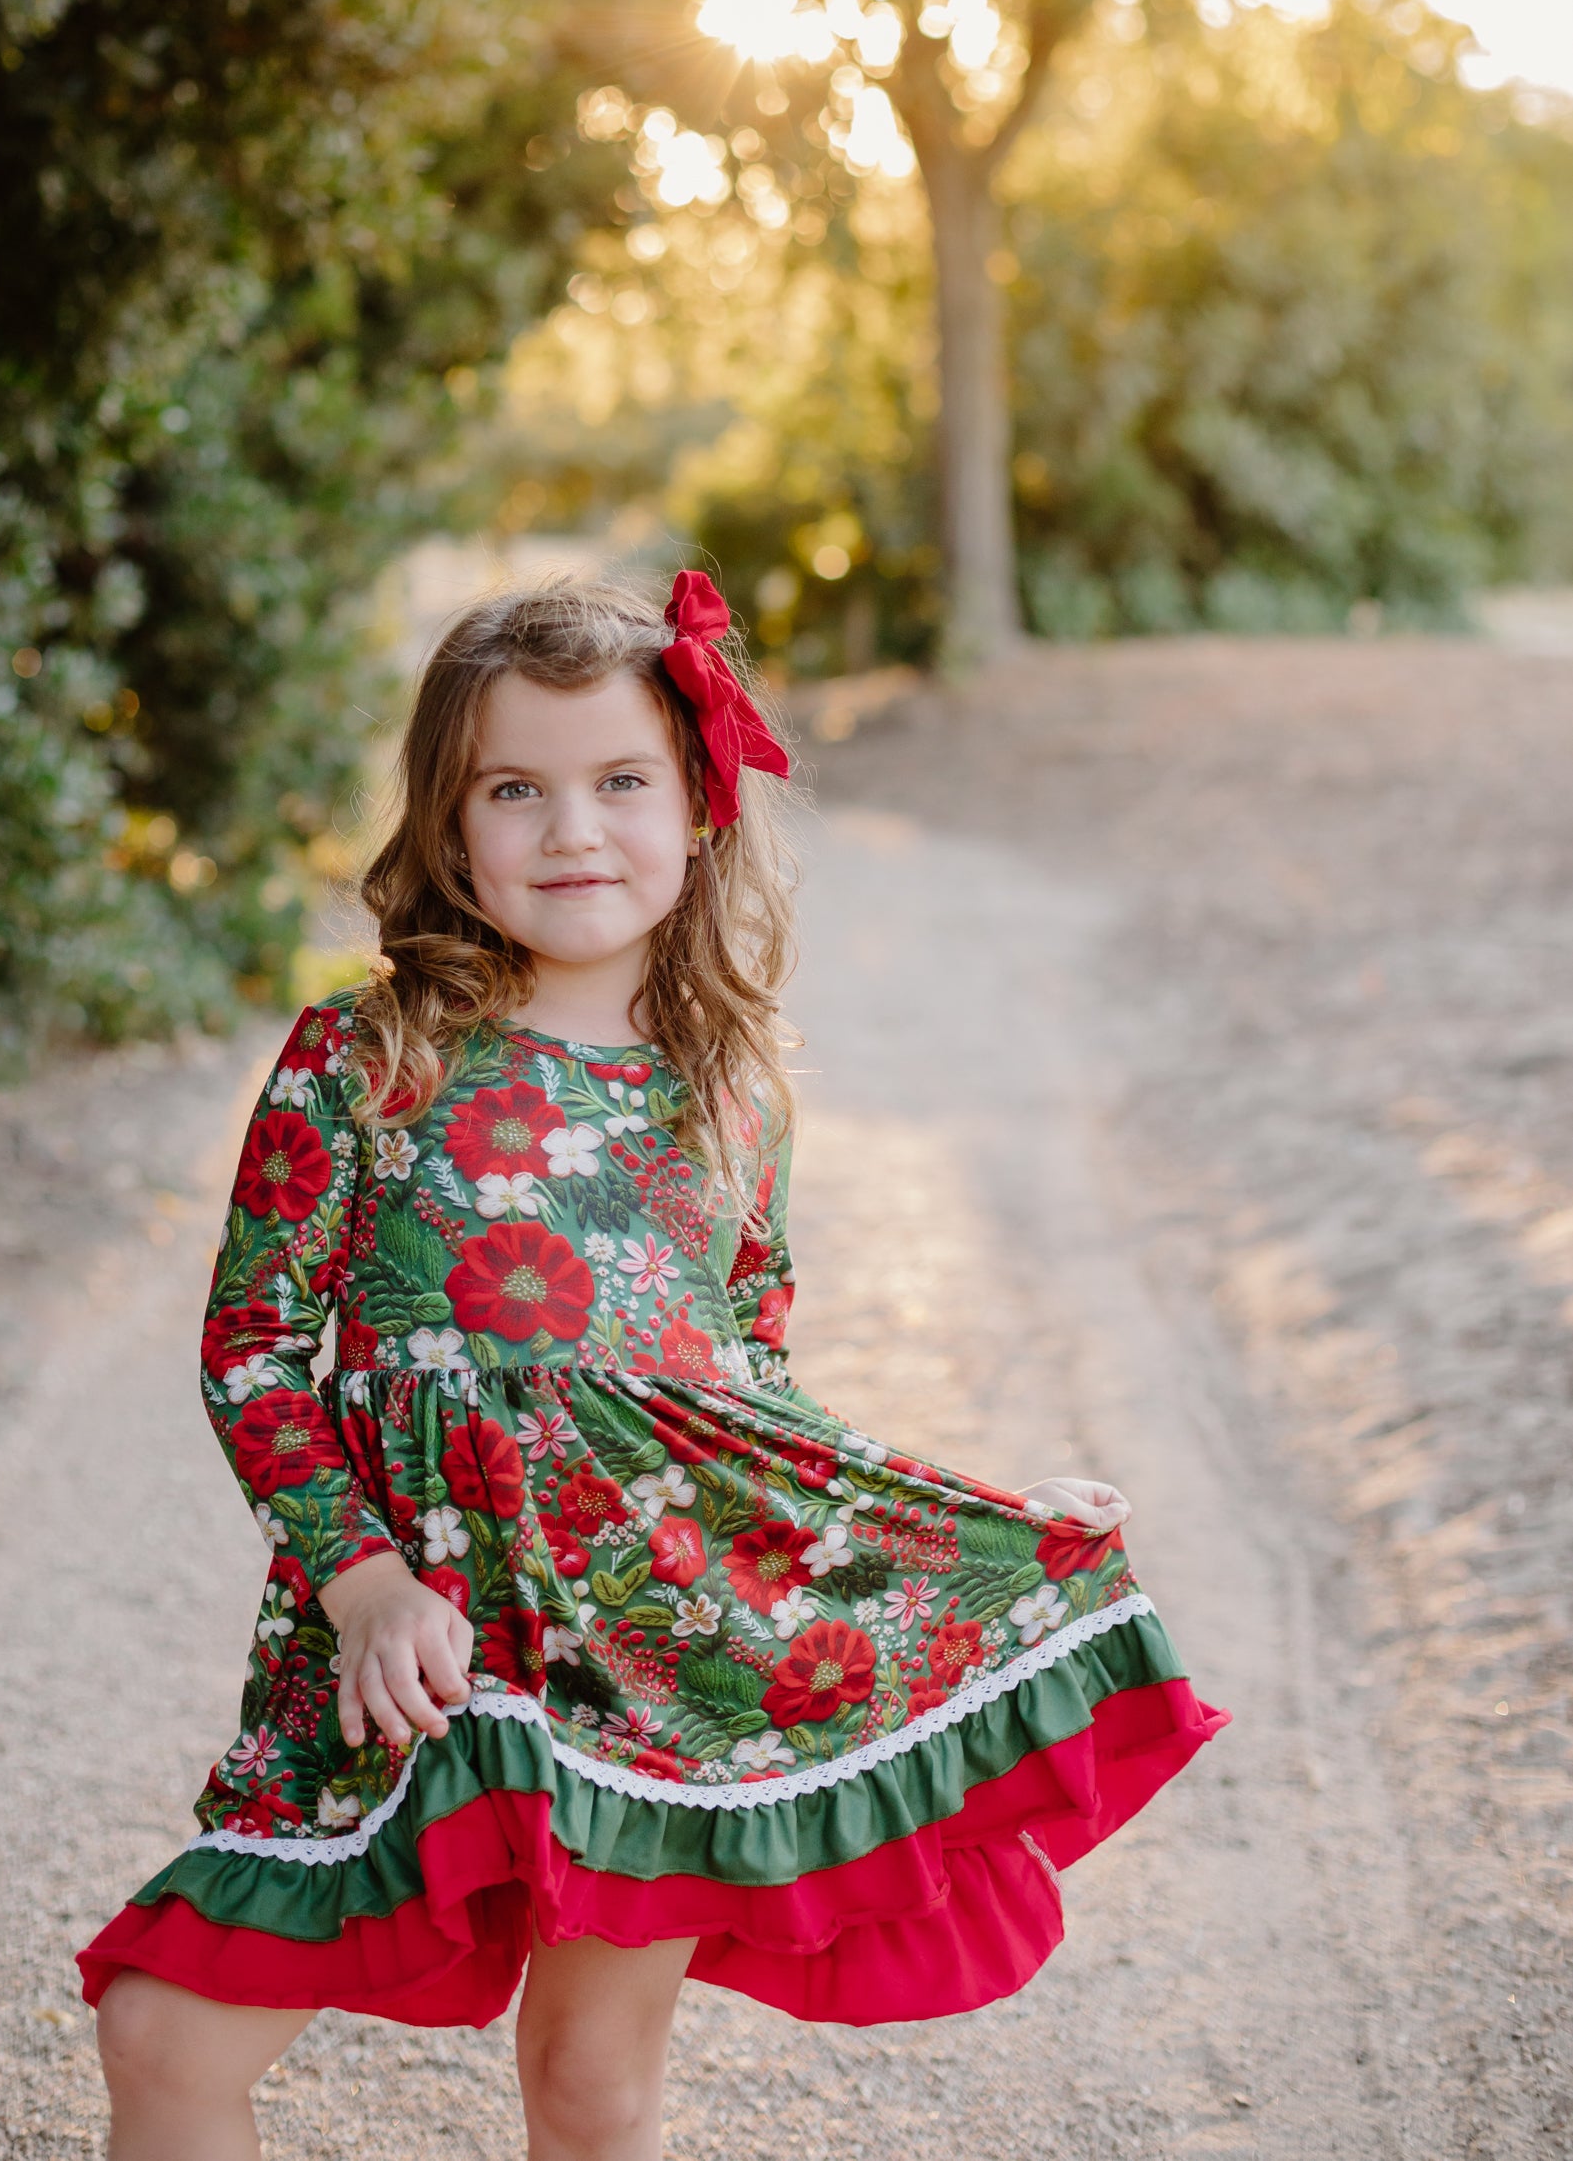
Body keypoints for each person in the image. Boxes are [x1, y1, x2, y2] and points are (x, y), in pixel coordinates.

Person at [79, 571, 1225, 2161]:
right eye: (513, 788)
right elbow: (253, 1349)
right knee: (162, 2030)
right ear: (448, 818)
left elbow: (746, 1400)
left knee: (592, 2083)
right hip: (412, 1655)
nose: (572, 830)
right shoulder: (364, 1056)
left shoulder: (728, 1091)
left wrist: (966, 1526)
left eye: (620, 779)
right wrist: (363, 1582)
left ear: (695, 804)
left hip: (648, 1660)